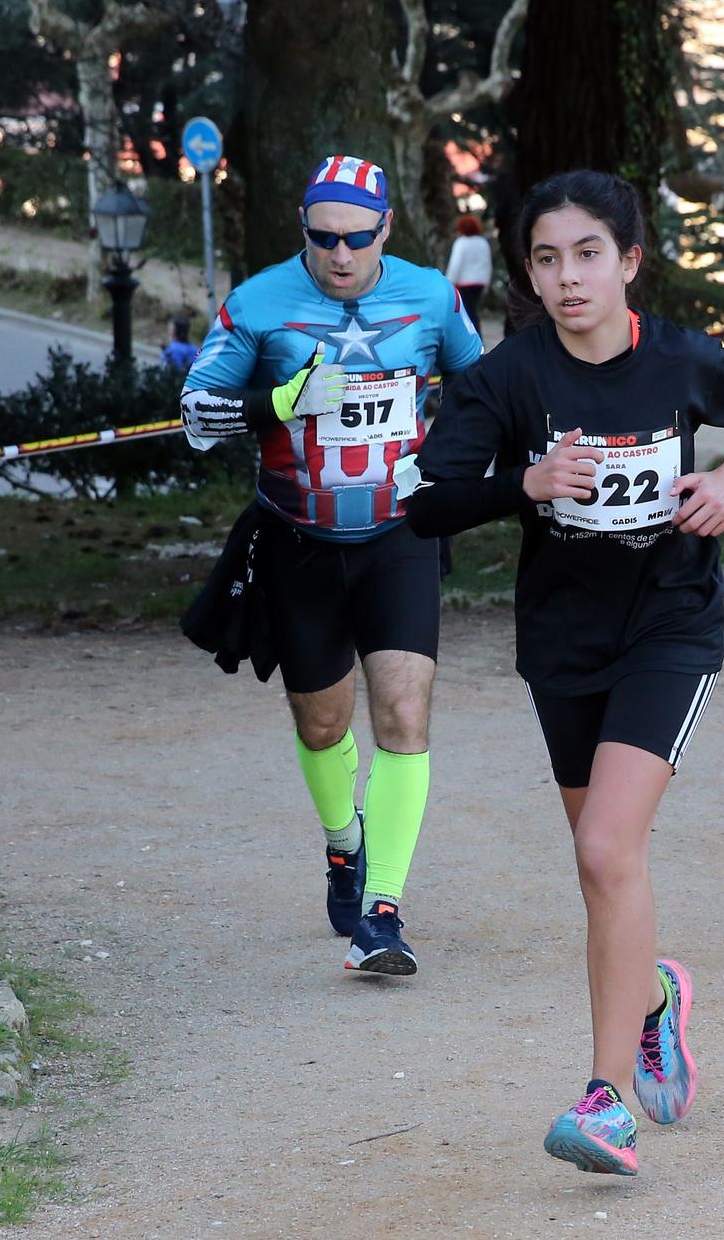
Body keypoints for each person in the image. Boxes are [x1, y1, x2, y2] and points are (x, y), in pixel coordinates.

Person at [403, 169, 724, 1176]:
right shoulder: (505, 380)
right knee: (601, 859)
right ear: (527, 273)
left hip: (670, 624)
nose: (566, 277)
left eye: (586, 254)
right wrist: (523, 483)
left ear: (627, 261)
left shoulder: (679, 360)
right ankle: (654, 996)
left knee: (606, 848)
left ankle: (604, 1101)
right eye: (544, 258)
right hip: (564, 641)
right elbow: (426, 503)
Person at [179, 154, 484, 974]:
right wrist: (274, 403)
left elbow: (481, 388)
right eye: (323, 239)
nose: (340, 256)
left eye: (356, 239)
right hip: (297, 541)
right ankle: (342, 844)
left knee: (404, 716)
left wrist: (450, 464)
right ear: (303, 230)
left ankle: (382, 912)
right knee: (322, 723)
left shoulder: (429, 296)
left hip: (399, 537)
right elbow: (196, 416)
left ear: (386, 228)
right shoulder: (259, 302)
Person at [445, 213, 493, 336]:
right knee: (472, 311)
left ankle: (474, 340)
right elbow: (487, 263)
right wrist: (486, 283)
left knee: (467, 313)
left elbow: (455, 265)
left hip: (464, 284)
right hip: (479, 283)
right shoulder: (483, 243)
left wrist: (448, 283)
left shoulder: (461, 243)